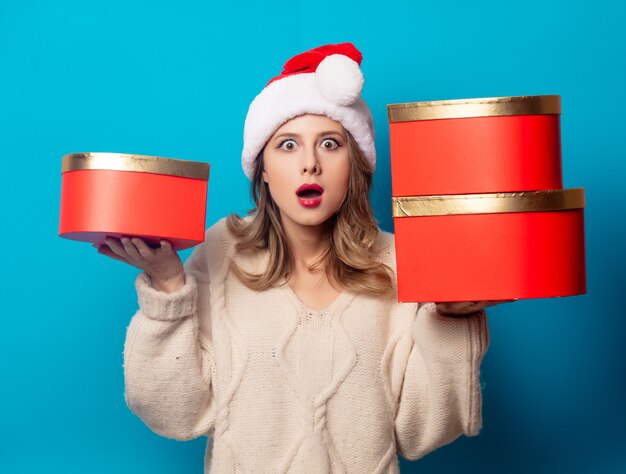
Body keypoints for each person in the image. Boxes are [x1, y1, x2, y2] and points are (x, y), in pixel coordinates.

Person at [97, 42, 511, 473]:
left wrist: (450, 322)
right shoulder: (220, 253)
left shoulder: (400, 261)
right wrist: (167, 289)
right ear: (262, 168)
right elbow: (178, 414)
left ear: (354, 163)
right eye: (288, 145)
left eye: (330, 144)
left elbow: (419, 432)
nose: (310, 164)